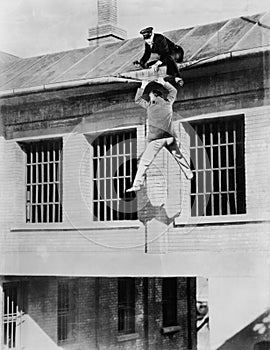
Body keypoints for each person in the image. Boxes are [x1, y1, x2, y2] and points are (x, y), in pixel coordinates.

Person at [126, 77, 193, 193]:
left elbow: (137, 100)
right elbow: (174, 91)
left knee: (144, 162)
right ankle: (189, 173)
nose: (150, 98)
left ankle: (137, 184)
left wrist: (143, 85)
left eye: (151, 96)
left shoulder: (150, 106)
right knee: (178, 155)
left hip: (156, 140)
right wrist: (163, 82)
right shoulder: (168, 103)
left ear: (155, 96)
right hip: (169, 138)